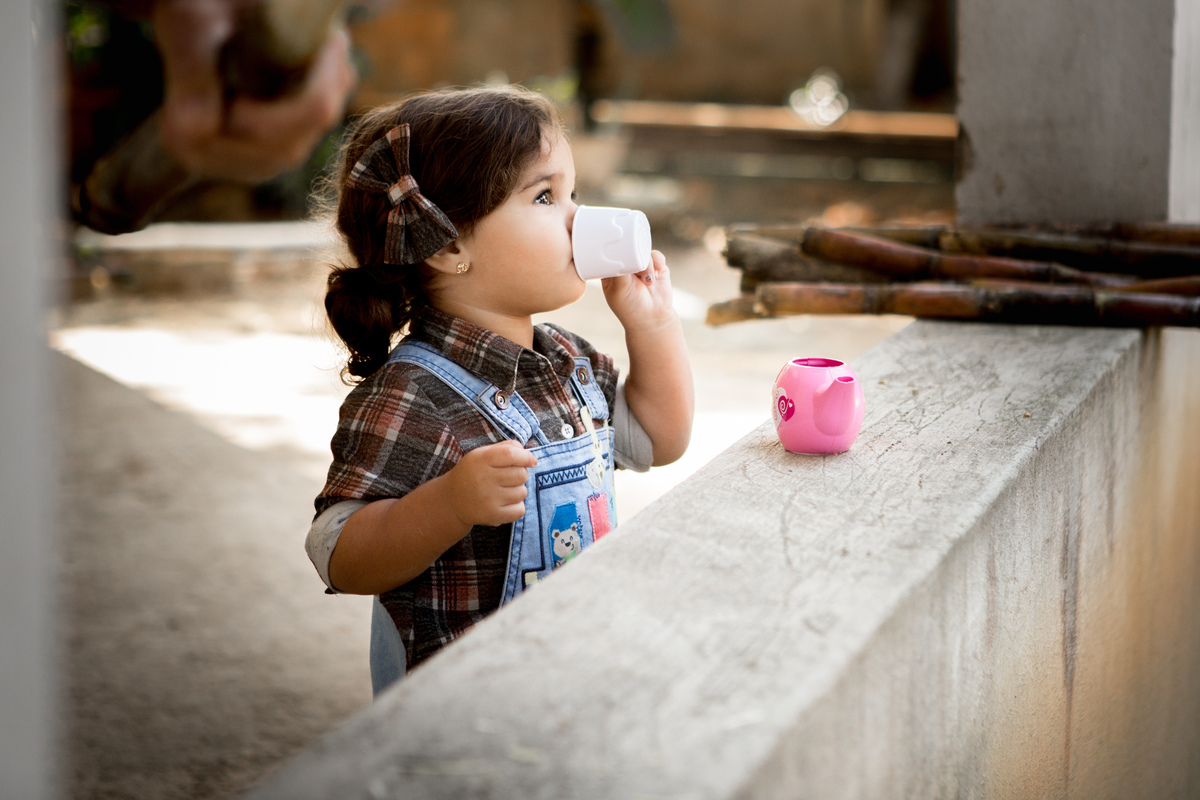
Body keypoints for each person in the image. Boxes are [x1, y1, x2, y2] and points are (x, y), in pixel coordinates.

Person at [304, 85, 693, 694]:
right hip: (459, 700)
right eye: (545, 196)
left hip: (572, 662)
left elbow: (658, 440)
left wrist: (652, 324)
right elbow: (338, 551)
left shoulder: (569, 360)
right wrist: (449, 505)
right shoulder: (413, 393)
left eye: (574, 193)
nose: (578, 217)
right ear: (451, 245)